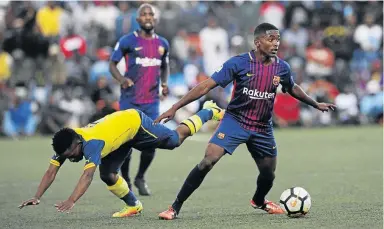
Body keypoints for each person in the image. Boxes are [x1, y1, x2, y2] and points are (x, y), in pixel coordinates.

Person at [156, 23, 337, 220]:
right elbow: (205, 86)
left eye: (277, 39)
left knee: (268, 174)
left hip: (262, 128)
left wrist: (314, 103)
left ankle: (259, 201)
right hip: (235, 121)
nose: (276, 43)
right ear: (258, 42)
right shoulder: (239, 63)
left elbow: (291, 87)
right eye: (271, 39)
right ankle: (175, 207)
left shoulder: (281, 67)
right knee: (208, 160)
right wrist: (175, 107)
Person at [18, 101, 224, 217]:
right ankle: (134, 205)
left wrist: (71, 200)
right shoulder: (68, 142)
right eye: (66, 157)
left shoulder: (92, 145)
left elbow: (87, 176)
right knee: (108, 174)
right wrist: (37, 196)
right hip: (118, 138)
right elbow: (51, 171)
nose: (70, 159)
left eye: (71, 155)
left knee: (175, 140)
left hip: (134, 124)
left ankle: (208, 111)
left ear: (77, 145)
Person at [109, 3, 170, 196]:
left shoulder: (163, 44)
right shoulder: (127, 40)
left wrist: (165, 83)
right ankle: (126, 179)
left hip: (151, 101)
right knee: (127, 143)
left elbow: (165, 66)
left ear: (155, 19)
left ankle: (140, 177)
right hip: (130, 100)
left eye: (150, 14)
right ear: (138, 20)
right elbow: (112, 64)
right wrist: (121, 79)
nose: (148, 17)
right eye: (144, 14)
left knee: (152, 142)